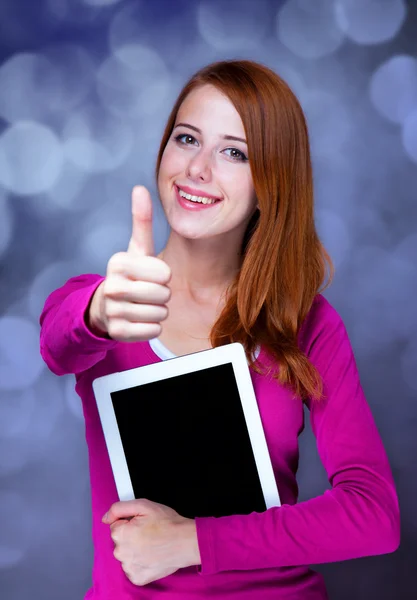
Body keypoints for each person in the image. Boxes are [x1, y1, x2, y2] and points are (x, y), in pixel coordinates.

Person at [39, 60, 400, 599]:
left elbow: (373, 514)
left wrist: (195, 542)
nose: (198, 168)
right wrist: (96, 314)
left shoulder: (307, 323)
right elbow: (57, 344)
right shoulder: (103, 300)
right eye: (187, 139)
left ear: (270, 181)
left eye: (235, 152)